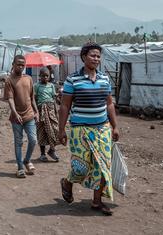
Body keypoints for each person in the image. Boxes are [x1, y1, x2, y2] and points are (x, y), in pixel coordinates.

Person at [58, 42, 119, 215]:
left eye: (98, 56)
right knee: (81, 167)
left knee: (102, 166)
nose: (96, 59)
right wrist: (61, 130)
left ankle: (97, 201)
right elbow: (64, 106)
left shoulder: (104, 78)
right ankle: (68, 182)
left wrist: (115, 126)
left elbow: (109, 104)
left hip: (102, 129)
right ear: (84, 57)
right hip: (80, 130)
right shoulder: (73, 79)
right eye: (93, 55)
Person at [4, 55, 39, 178]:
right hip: (16, 118)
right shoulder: (9, 80)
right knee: (18, 143)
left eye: (23, 65)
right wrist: (15, 113)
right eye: (18, 64)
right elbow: (10, 98)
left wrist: (36, 111)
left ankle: (27, 160)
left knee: (33, 140)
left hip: (29, 115)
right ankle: (20, 167)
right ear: (13, 64)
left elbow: (32, 97)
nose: (20, 66)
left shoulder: (28, 78)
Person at [34, 67, 60, 162]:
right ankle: (42, 154)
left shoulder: (51, 86)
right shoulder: (36, 86)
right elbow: (34, 98)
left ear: (49, 76)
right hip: (41, 110)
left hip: (51, 110)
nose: (45, 77)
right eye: (43, 76)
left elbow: (54, 97)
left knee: (56, 129)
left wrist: (58, 97)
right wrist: (36, 111)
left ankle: (52, 150)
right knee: (42, 132)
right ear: (39, 76)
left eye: (47, 76)